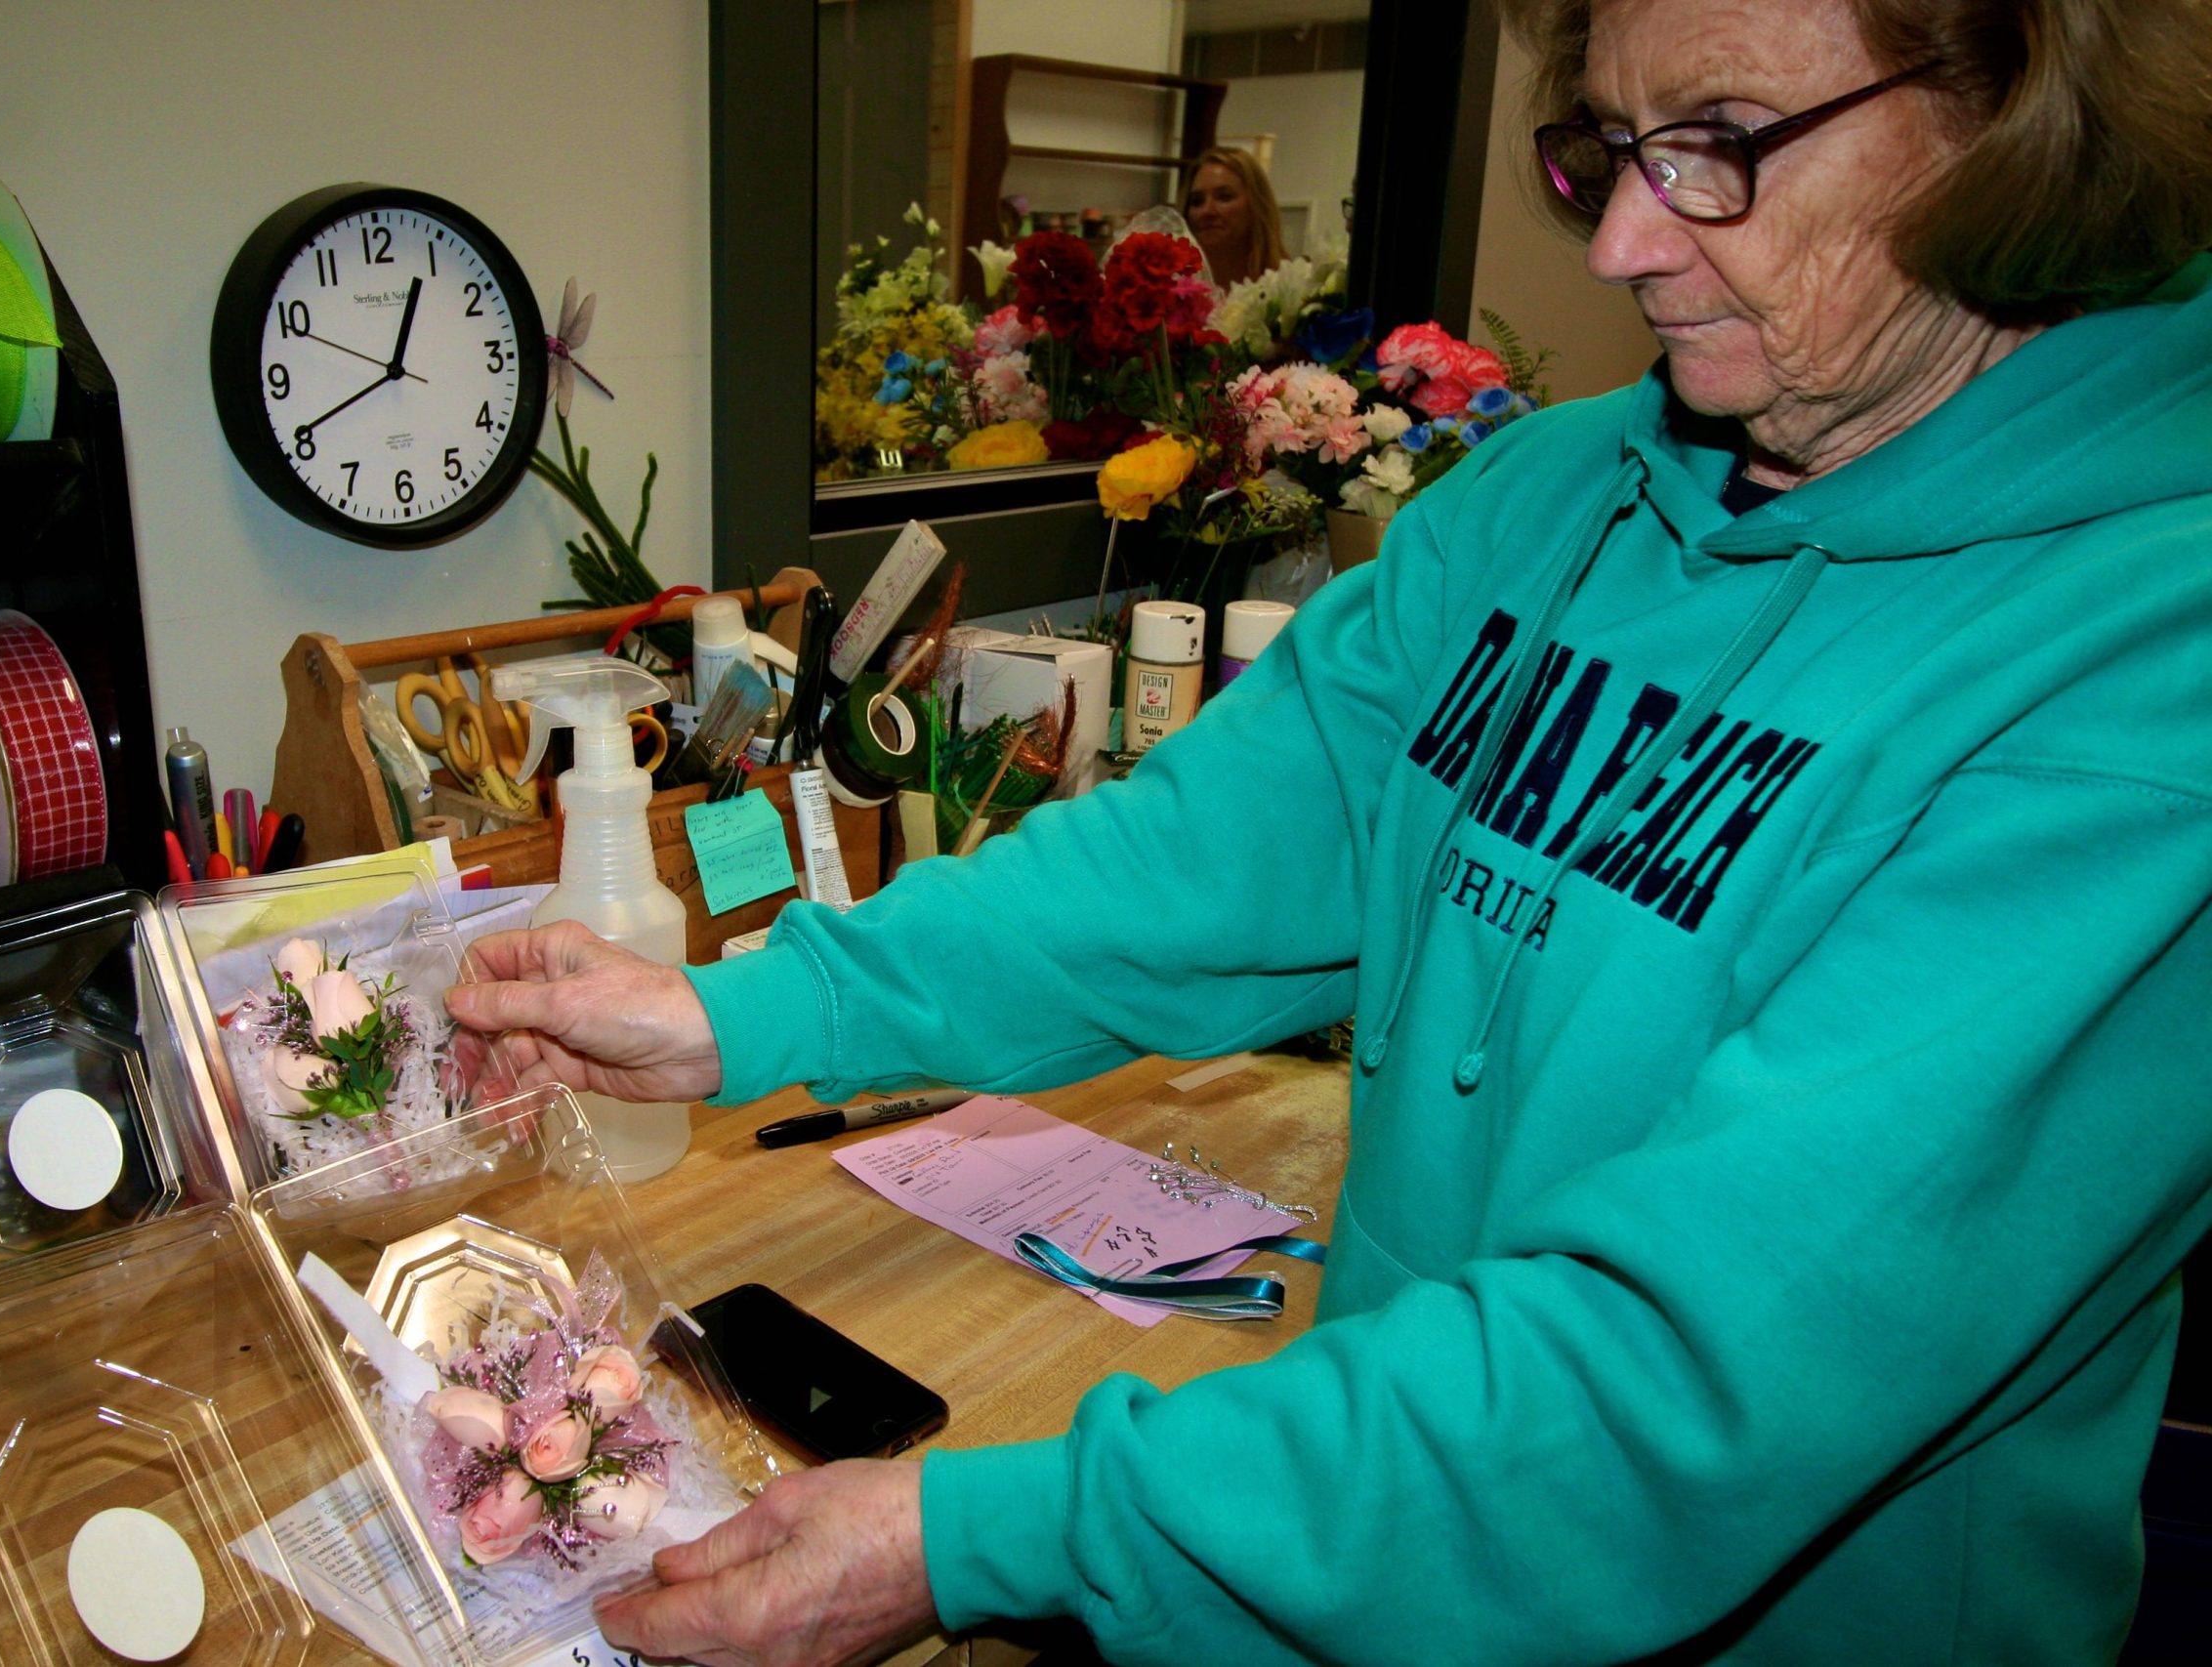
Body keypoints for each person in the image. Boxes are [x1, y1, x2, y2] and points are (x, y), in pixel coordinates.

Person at [446, 0, 2212, 1659]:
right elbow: (1194, 865)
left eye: (1721, 143)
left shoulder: (2149, 673)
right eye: (1611, 145)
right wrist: (736, 1011)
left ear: (2020, 120)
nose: (1621, 243)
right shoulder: (1546, 500)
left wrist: (987, 1530)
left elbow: (1671, 1388)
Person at [1182, 144, 1285, 289]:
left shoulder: (1290, 287)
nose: (1207, 211)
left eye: (1224, 197)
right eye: (1197, 201)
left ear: (1256, 205)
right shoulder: (1171, 287)